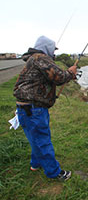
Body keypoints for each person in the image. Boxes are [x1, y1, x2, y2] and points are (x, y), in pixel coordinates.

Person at [13, 35, 77, 181]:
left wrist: (68, 76)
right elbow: (59, 77)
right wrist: (70, 72)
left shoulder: (33, 59)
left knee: (36, 138)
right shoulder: (40, 58)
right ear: (46, 47)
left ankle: (35, 164)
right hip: (33, 109)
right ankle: (55, 173)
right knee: (42, 140)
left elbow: (52, 78)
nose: (53, 52)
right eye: (53, 49)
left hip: (28, 108)